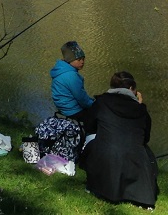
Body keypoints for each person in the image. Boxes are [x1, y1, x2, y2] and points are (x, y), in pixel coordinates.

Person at [80, 71, 158, 209]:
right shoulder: (141, 110)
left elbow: (90, 126)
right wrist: (139, 105)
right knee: (144, 150)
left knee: (91, 140)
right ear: (131, 89)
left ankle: (96, 181)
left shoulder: (101, 102)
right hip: (134, 161)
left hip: (106, 158)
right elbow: (145, 138)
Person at [51, 41, 95, 128]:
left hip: (63, 108)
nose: (82, 62)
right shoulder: (71, 76)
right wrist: (93, 104)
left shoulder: (60, 69)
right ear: (69, 60)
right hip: (73, 111)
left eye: (83, 58)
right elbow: (81, 98)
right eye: (79, 59)